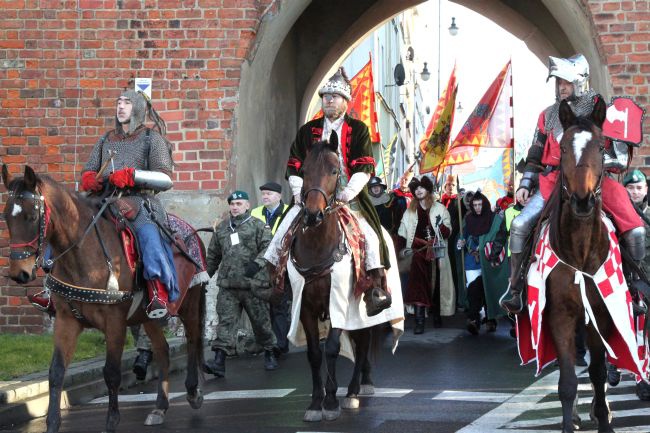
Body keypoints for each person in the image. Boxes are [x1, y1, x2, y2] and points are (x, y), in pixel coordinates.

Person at [500, 54, 645, 314]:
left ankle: (635, 290)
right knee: (520, 225)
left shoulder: (602, 109)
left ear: (581, 82)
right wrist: (525, 183)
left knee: (635, 230)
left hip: (596, 179)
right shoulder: (548, 115)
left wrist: (596, 162)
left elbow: (620, 156)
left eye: (566, 82)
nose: (561, 87)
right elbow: (536, 152)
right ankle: (515, 288)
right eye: (558, 82)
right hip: (555, 180)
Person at [264, 67, 392, 317]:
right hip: (311, 195)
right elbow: (293, 164)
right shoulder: (307, 131)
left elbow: (364, 166)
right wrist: (299, 191)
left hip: (347, 197)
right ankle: (274, 282)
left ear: (345, 102)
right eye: (325, 96)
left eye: (334, 96)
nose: (329, 100)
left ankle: (375, 290)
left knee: (372, 237)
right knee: (281, 232)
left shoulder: (358, 129)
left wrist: (348, 192)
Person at [80, 89, 178, 319]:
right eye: (118, 102)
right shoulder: (106, 139)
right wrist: (88, 178)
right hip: (102, 199)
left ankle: (157, 291)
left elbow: (166, 179)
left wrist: (133, 176)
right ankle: (51, 285)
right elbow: (88, 169)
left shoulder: (151, 139)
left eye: (127, 103)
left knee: (148, 235)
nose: (121, 107)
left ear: (138, 109)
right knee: (69, 218)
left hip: (138, 201)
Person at [204, 190, 278, 377]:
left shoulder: (258, 226)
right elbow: (213, 255)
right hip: (228, 286)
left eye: (239, 204)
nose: (235, 207)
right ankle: (219, 361)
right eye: (232, 204)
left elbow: (268, 248)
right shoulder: (222, 228)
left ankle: (270, 352)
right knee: (226, 324)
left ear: (247, 205)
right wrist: (204, 277)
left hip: (253, 286)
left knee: (261, 323)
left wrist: (257, 264)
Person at [397, 176, 454, 333]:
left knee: (436, 285)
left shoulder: (440, 209)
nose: (419, 190)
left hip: (436, 252)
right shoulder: (409, 211)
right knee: (418, 285)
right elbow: (402, 232)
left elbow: (449, 230)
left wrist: (441, 229)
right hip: (417, 254)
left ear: (428, 190)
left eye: (422, 187)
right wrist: (401, 248)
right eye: (416, 188)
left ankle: (436, 314)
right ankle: (419, 321)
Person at [250, 181, 290, 356]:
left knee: (279, 304)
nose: (265, 196)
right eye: (264, 194)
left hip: (282, 265)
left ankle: (280, 344)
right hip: (261, 265)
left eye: (269, 194)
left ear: (279, 196)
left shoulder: (289, 211)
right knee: (262, 306)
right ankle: (268, 343)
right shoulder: (256, 213)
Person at [458, 191, 507, 334]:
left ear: (484, 204)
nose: (478, 207)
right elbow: (462, 237)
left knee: (488, 289)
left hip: (488, 259)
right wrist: (460, 242)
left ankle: (491, 319)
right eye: (475, 205)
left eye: (480, 204)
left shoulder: (495, 219)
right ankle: (473, 319)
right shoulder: (468, 219)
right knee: (473, 289)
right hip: (472, 261)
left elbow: (500, 236)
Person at [620, 169, 650, 401]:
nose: (635, 192)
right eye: (630, 188)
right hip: (628, 281)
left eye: (639, 188)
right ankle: (641, 378)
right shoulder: (616, 215)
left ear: (646, 190)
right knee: (637, 331)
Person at [368, 175, 408, 241]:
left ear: (381, 187)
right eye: (373, 187)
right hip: (373, 233)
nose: (376, 188)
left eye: (377, 186)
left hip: (390, 234)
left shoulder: (391, 198)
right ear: (370, 189)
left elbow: (399, 209)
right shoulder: (368, 203)